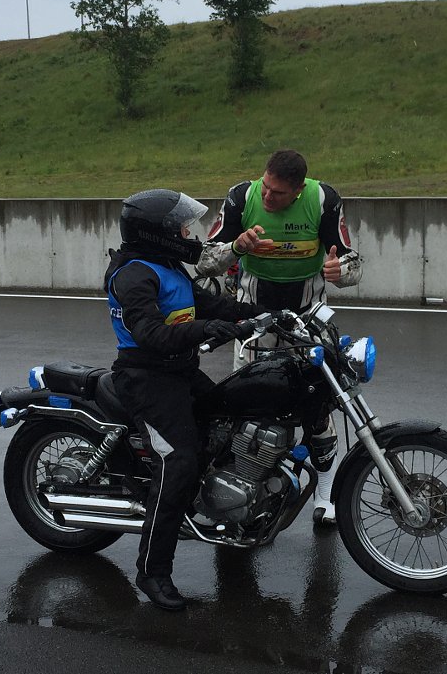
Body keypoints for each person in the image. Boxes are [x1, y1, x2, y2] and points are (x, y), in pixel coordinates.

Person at [105, 189, 260, 611]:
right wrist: (209, 329)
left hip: (179, 372)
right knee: (179, 464)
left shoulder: (167, 265)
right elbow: (152, 335)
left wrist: (259, 312)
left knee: (230, 418)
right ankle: (153, 572)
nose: (188, 233)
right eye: (181, 228)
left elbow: (207, 302)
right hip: (147, 380)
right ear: (158, 234)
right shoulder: (134, 275)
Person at [195, 149, 362, 524]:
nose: (269, 198)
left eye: (279, 194)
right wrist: (237, 247)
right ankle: (241, 493)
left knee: (320, 410)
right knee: (245, 409)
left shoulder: (323, 200)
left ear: (299, 190)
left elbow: (354, 265)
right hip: (255, 319)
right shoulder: (241, 196)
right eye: (266, 188)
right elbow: (204, 260)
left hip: (307, 320)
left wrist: (340, 272)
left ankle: (325, 493)